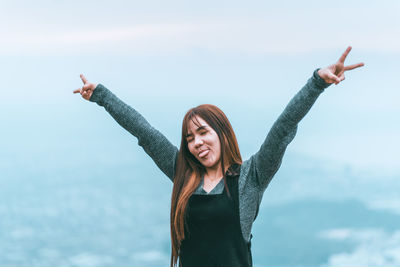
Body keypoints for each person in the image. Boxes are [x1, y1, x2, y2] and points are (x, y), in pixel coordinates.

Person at [73, 46, 364, 267]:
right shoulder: (183, 175)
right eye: (189, 138)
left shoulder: (251, 177)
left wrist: (317, 83)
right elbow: (145, 132)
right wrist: (101, 95)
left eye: (203, 132)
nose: (196, 143)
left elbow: (283, 127)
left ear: (222, 133)